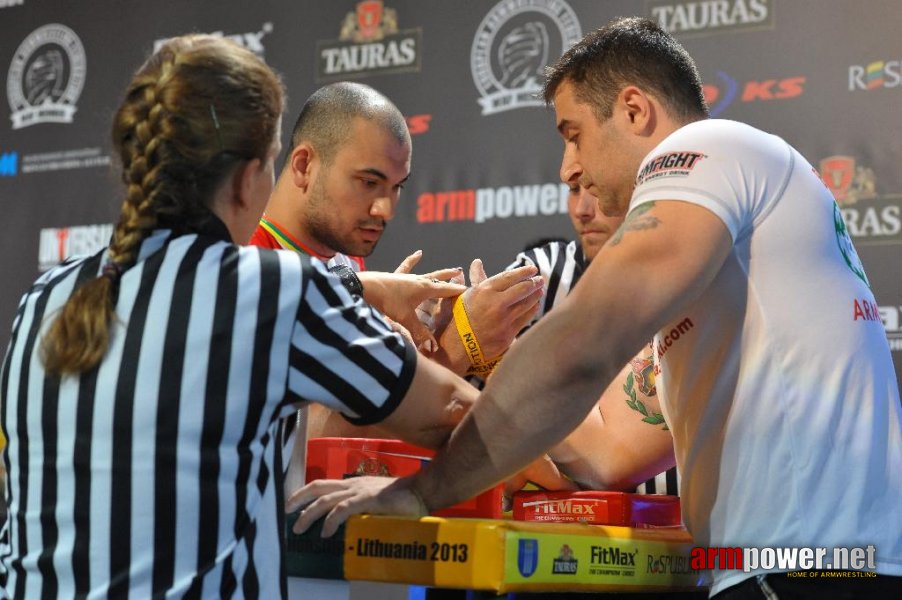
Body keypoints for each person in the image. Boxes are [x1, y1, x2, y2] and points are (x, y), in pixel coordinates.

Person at [290, 17, 902, 598]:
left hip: (801, 571)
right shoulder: (727, 280)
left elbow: (579, 347)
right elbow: (606, 452)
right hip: (811, 567)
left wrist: (419, 492)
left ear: (634, 110)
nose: (569, 167)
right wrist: (465, 359)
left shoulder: (708, 149)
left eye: (573, 134)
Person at [0, 35, 481, 599]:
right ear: (251, 174)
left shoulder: (43, 296)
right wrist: (477, 345)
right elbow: (452, 411)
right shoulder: (272, 290)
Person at [250, 82, 543, 442]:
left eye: (396, 187)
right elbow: (309, 435)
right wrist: (460, 344)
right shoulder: (245, 259)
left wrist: (420, 345)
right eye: (369, 182)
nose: (385, 209)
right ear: (304, 165)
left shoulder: (346, 256)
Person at [508, 178, 678, 496]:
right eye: (573, 189)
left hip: (710, 537)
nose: (583, 210)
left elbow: (605, 459)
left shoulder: (697, 282)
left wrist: (495, 353)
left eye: (598, 189)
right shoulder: (543, 272)